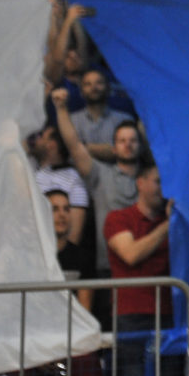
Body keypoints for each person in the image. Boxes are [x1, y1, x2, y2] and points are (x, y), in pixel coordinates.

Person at [0, 190, 103, 376]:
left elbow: (84, 310)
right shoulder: (19, 259)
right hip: (23, 343)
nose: (62, 214)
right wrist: (39, 350)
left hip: (69, 343)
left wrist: (60, 348)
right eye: (54, 209)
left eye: (66, 208)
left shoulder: (81, 256)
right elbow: (13, 310)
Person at [103, 162, 174, 376]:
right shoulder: (118, 219)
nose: (162, 187)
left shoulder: (170, 225)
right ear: (141, 182)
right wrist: (167, 226)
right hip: (132, 318)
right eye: (157, 181)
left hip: (167, 318)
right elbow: (131, 254)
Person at [54, 88, 140, 277]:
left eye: (133, 140)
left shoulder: (151, 179)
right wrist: (61, 108)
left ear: (141, 146)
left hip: (148, 267)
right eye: (122, 141)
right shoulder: (100, 174)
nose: (128, 145)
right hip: (108, 268)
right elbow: (74, 145)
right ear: (113, 148)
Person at [30, 125, 88, 245]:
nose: (35, 140)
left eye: (41, 137)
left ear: (51, 145)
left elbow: (74, 236)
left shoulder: (73, 179)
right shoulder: (34, 171)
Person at [68, 69, 136, 162]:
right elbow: (71, 153)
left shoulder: (124, 119)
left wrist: (87, 148)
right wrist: (110, 150)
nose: (94, 87)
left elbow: (129, 153)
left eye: (99, 83)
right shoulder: (71, 120)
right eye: (88, 84)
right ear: (81, 92)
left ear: (109, 89)